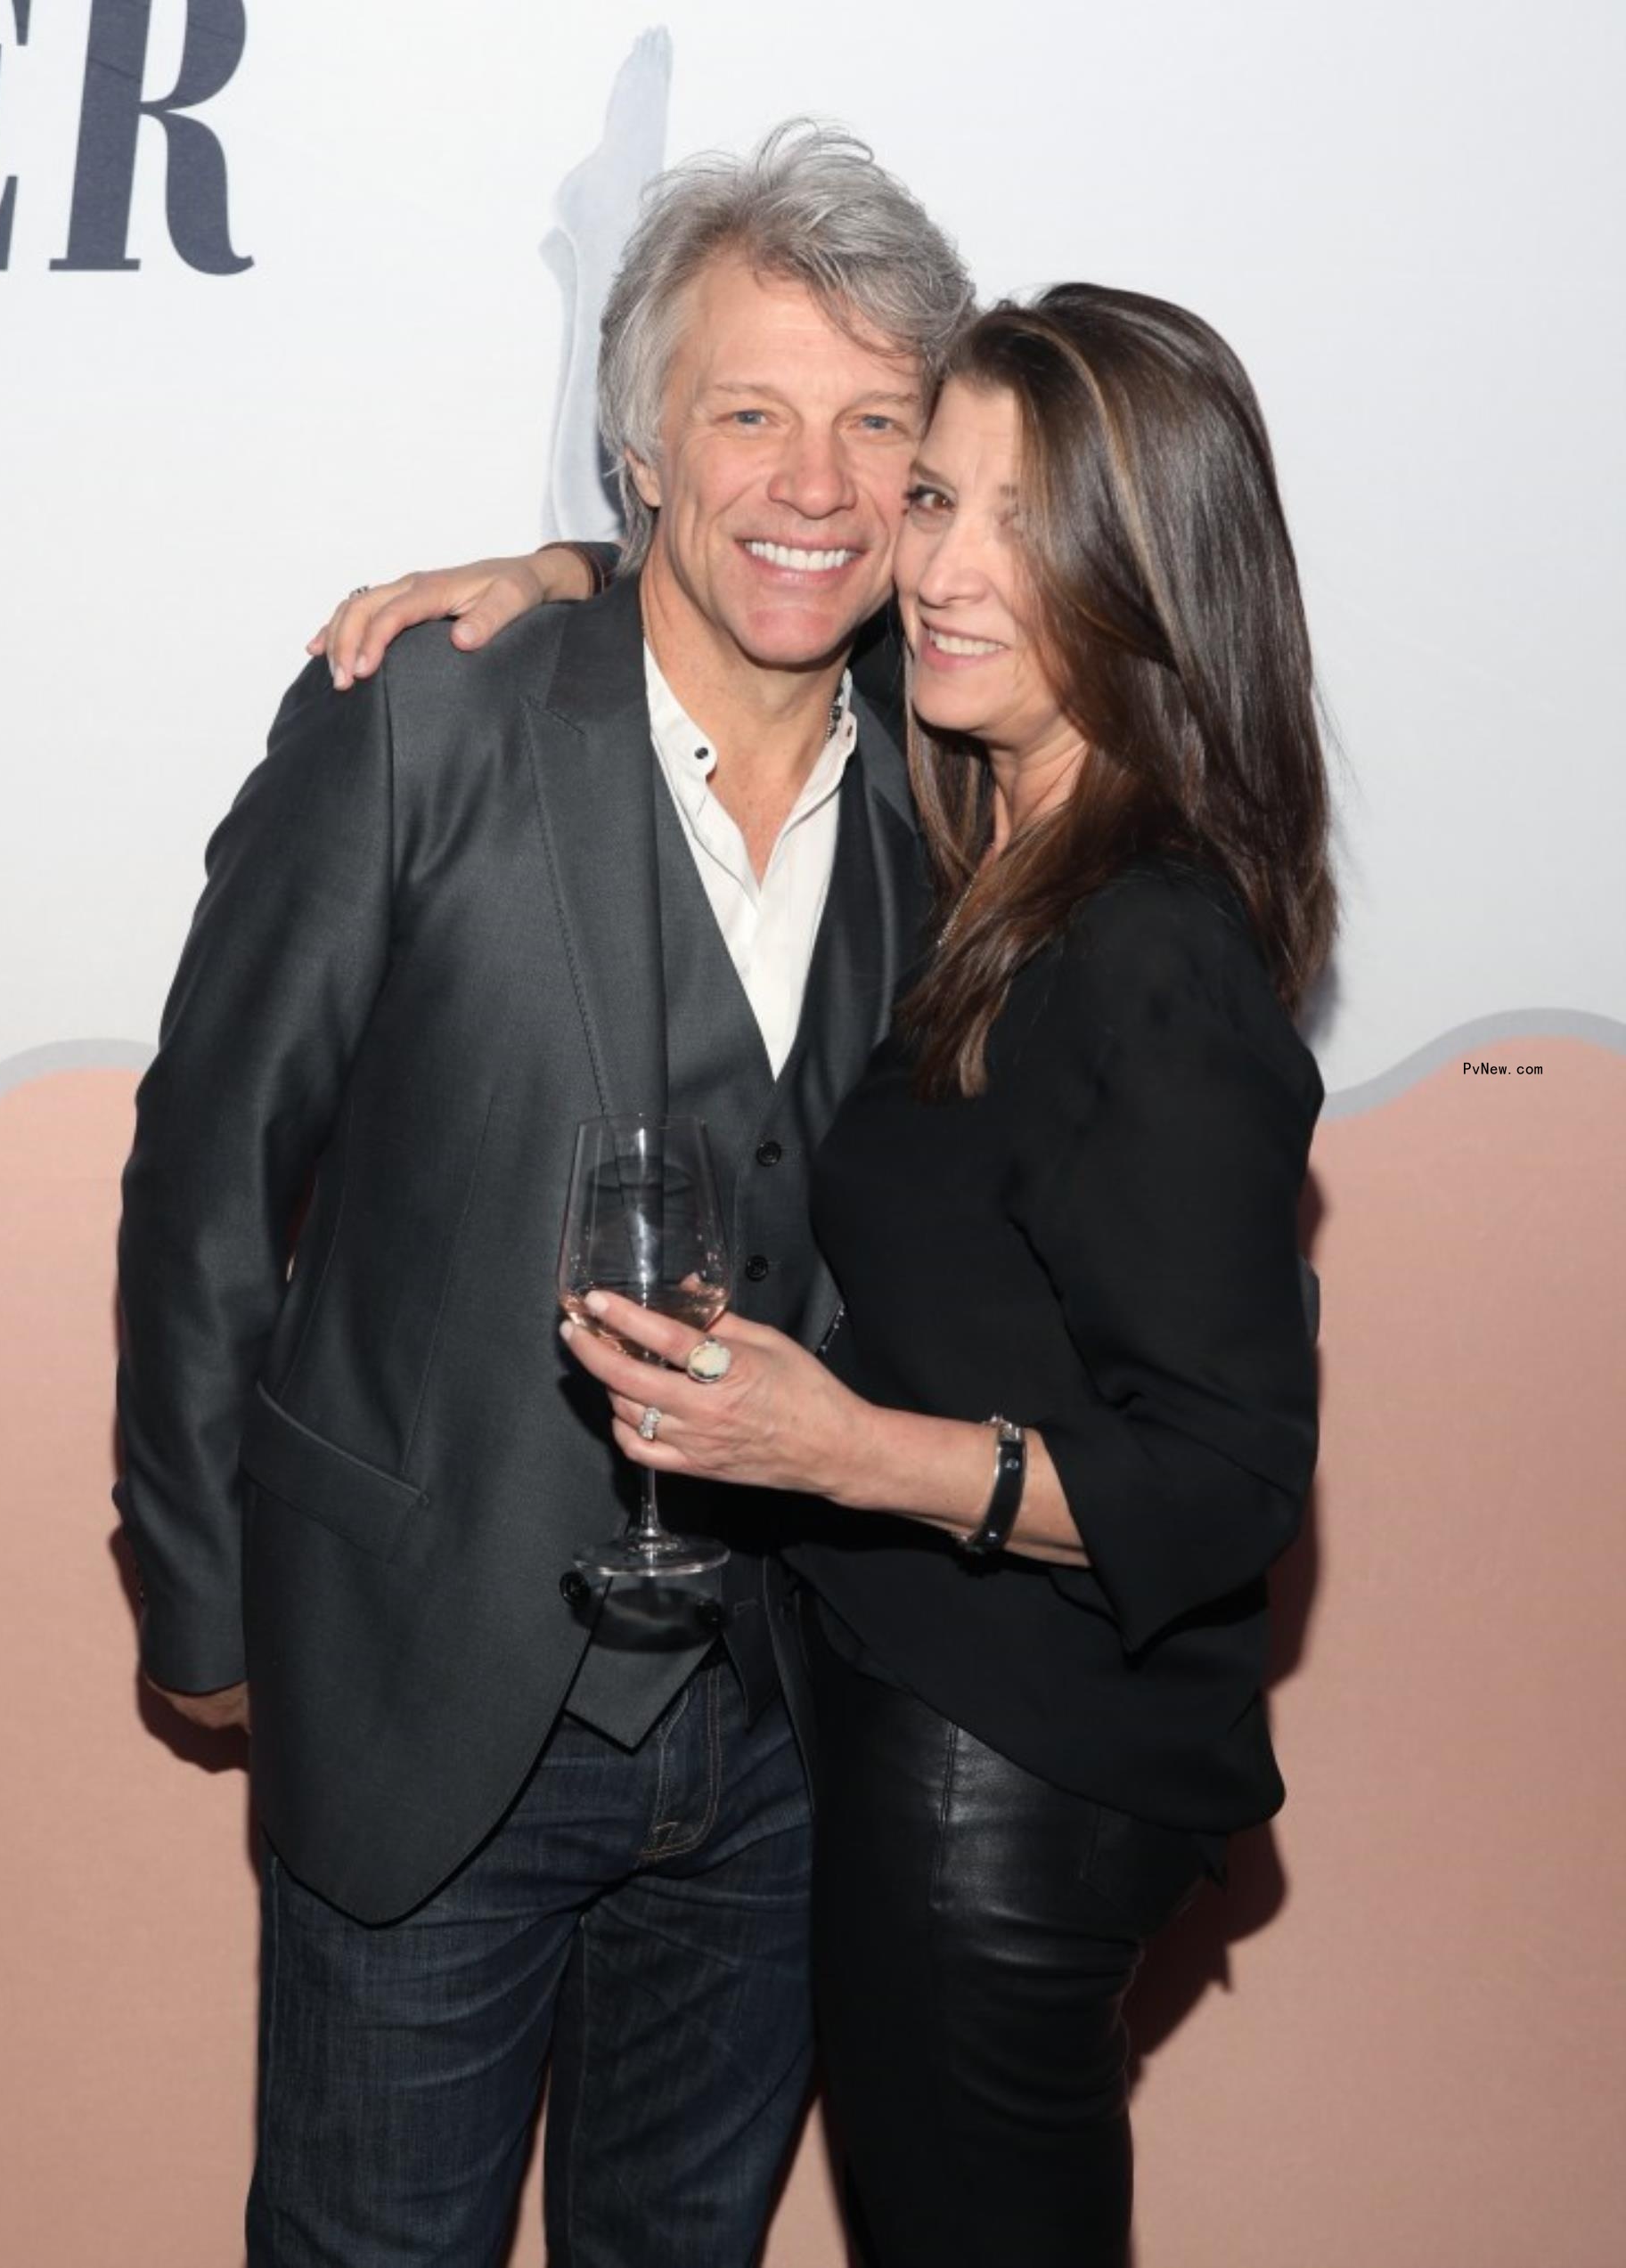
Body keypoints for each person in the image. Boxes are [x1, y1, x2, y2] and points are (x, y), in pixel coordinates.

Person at [361, 286, 1333, 2265]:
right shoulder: (990, 834)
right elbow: (740, 600)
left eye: (1015, 523)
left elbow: (1226, 1483)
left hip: (1007, 1790)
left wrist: (845, 1450)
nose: (938, 567)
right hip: (924, 1739)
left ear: (1150, 575)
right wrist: (568, 575)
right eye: (934, 494)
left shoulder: (1148, 944)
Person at [113, 123, 973, 2266]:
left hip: (780, 1736)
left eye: (881, 426)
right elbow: (211, 1165)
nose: (815, 482)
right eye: (750, 413)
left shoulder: (956, 804)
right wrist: (207, 1610)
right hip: (419, 1694)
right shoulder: (426, 717)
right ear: (642, 456)